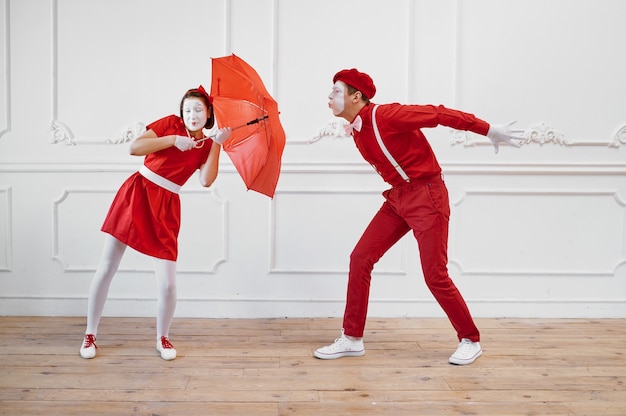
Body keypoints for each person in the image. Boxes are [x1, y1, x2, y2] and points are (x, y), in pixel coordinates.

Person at [314, 69, 523, 365]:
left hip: (427, 195)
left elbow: (439, 114)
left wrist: (488, 129)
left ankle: (470, 339)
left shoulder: (386, 115)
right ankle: (352, 338)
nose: (329, 96)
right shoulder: (356, 129)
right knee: (360, 257)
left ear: (356, 96)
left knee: (434, 274)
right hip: (398, 197)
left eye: (336, 91)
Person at [79, 85, 231, 360]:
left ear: (209, 114)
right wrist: (173, 140)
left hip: (166, 207)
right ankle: (90, 334)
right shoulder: (170, 125)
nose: (192, 115)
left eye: (198, 109)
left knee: (168, 284)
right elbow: (134, 147)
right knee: (107, 267)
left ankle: (163, 337)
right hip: (137, 193)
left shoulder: (206, 144)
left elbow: (207, 180)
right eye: (187, 110)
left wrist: (217, 143)